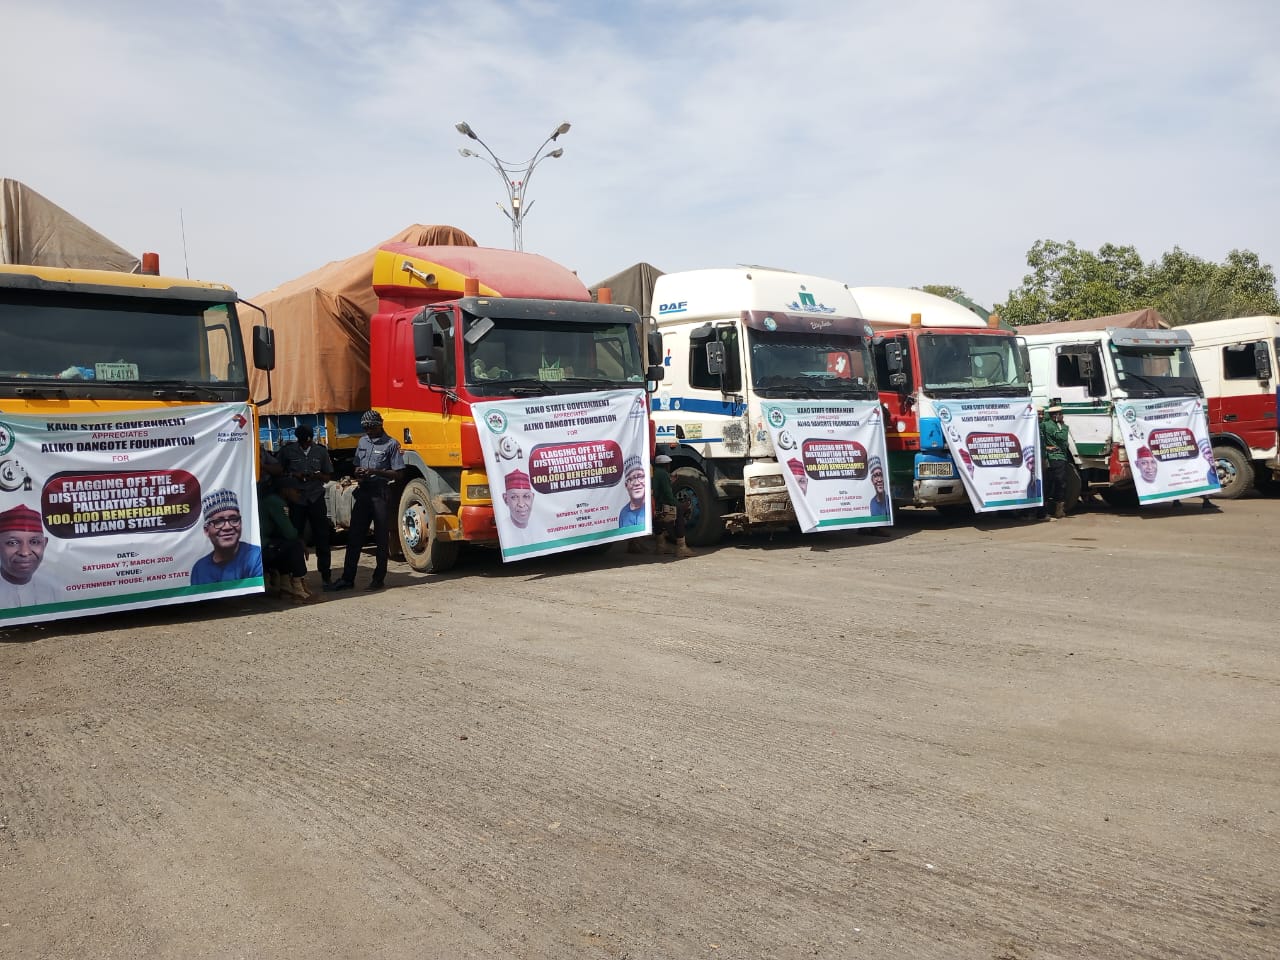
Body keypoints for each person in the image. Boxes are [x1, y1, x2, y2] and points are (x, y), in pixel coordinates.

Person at [326, 411, 404, 592]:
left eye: (371, 427)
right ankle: (347, 578)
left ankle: (378, 578)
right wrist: (358, 472)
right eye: (365, 428)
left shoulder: (392, 445)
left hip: (381, 494)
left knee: (381, 538)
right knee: (354, 537)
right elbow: (356, 466)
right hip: (363, 493)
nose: (368, 431)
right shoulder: (362, 442)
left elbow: (399, 474)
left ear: (380, 424)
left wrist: (376, 472)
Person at [277, 424, 334, 584]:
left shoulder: (321, 452)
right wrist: (294, 474)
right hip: (297, 499)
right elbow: (279, 471)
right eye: (303, 442)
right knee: (294, 536)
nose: (305, 444)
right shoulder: (287, 451)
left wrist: (317, 476)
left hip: (316, 497)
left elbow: (328, 476)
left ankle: (326, 574)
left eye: (308, 442)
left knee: (322, 536)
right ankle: (296, 574)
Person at [259, 476, 317, 603]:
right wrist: (301, 541)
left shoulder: (271, 500)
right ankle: (298, 588)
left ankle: (285, 587)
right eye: (296, 491)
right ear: (285, 490)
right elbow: (290, 533)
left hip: (260, 547)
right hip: (262, 549)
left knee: (285, 545)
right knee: (294, 545)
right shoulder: (276, 502)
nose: (299, 494)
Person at [190, 489, 264, 584]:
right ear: (206, 530)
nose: (227, 527)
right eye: (218, 522)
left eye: (234, 519)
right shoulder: (200, 568)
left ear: (241, 523)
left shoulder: (255, 556)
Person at [0, 504, 59, 609]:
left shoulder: (50, 589)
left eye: (34, 541)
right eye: (12, 543)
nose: (25, 552)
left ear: (44, 544)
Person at [650, 451, 693, 558]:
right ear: (666, 465)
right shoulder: (663, 474)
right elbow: (668, 495)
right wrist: (679, 505)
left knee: (657, 520)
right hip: (660, 504)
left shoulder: (654, 471)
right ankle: (681, 547)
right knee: (679, 513)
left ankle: (660, 545)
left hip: (653, 504)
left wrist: (669, 481)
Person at [1040, 398, 1072, 520]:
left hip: (1056, 457)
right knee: (1059, 483)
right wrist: (1063, 426)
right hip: (1057, 458)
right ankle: (1058, 510)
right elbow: (1062, 438)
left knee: (1052, 483)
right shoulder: (1052, 426)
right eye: (1059, 414)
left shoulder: (1046, 424)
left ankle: (1051, 509)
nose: (1061, 416)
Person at [617, 455, 648, 528]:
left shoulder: (650, 506)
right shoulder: (623, 513)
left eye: (640, 476)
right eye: (630, 479)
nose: (636, 483)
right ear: (626, 485)